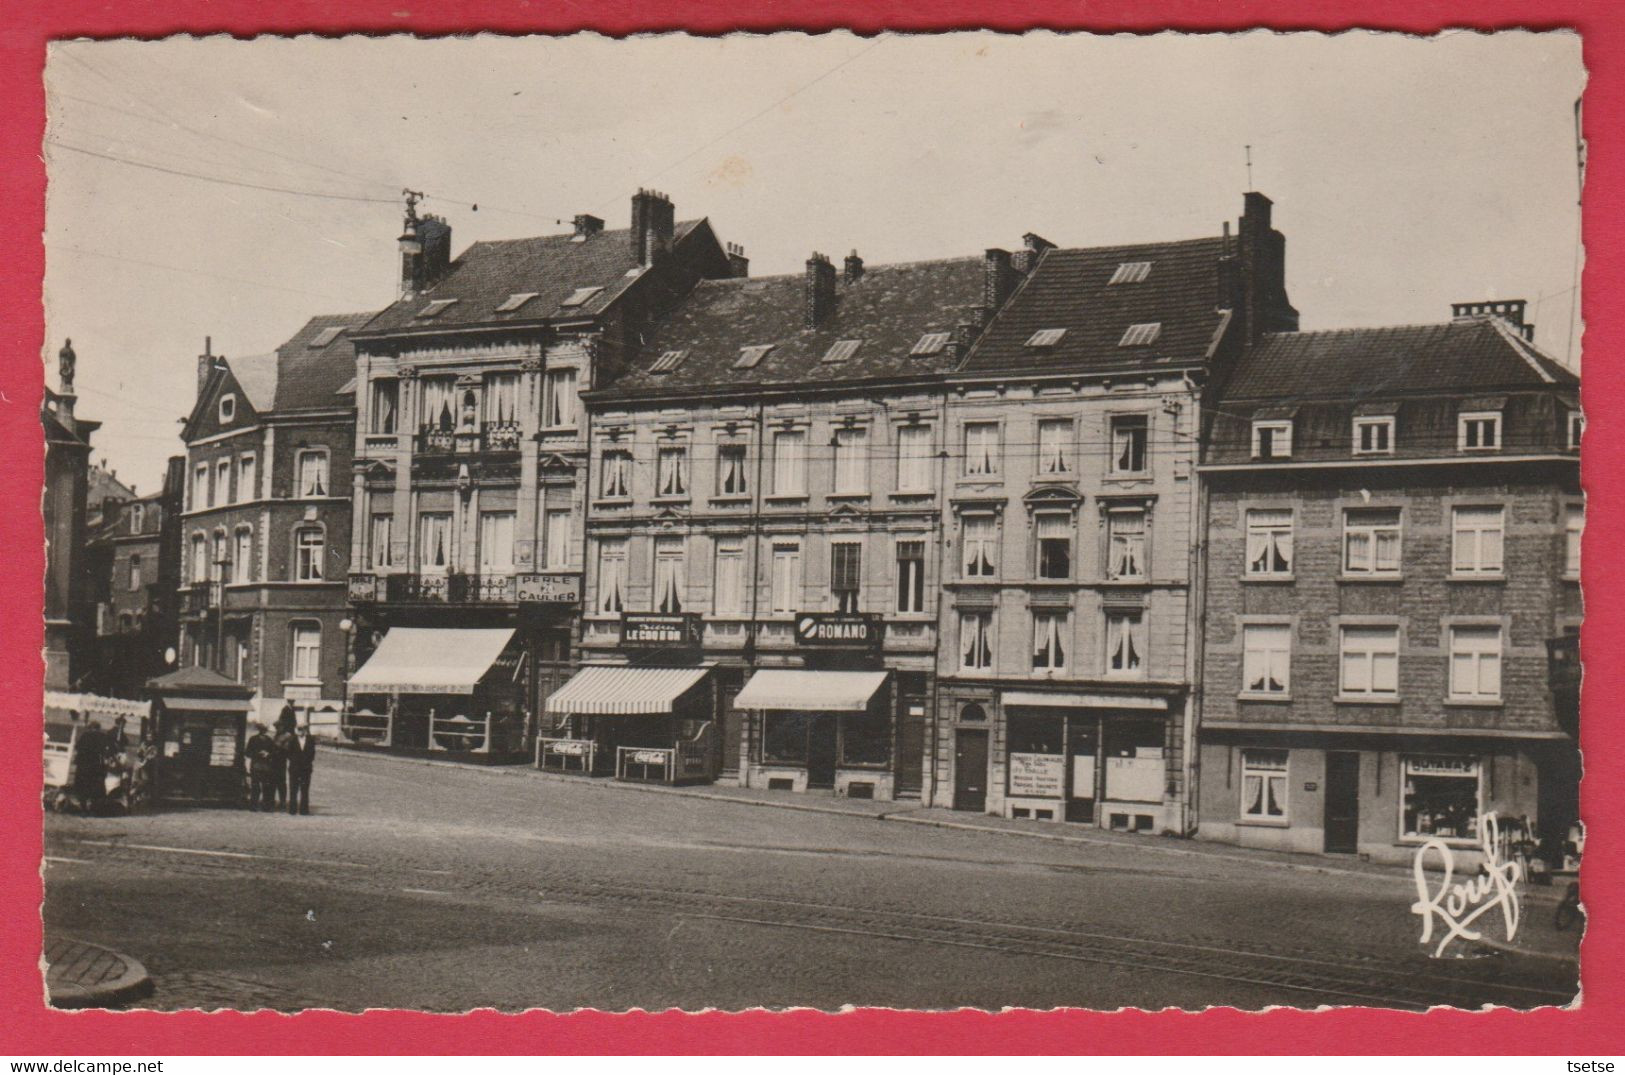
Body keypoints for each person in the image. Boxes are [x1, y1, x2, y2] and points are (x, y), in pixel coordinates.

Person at [71, 719, 106, 816]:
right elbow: (105, 751)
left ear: (90, 727)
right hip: (96, 766)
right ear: (98, 728)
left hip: (84, 766)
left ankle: (83, 810)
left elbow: (77, 747)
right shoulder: (102, 736)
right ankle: (93, 810)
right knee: (95, 788)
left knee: (82, 788)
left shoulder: (85, 735)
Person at [285, 718, 316, 816]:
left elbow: (312, 753)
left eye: (302, 729)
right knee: (293, 789)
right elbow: (288, 753)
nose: (300, 731)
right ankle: (292, 809)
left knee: (304, 789)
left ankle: (304, 810)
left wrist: (306, 762)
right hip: (294, 767)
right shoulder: (292, 739)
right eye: (298, 729)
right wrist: (295, 761)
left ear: (305, 730)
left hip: (306, 768)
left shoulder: (310, 740)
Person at [245, 723, 278, 811]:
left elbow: (274, 753)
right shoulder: (253, 739)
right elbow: (248, 752)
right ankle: (253, 806)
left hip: (266, 766)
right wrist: (258, 754)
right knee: (256, 787)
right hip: (256, 765)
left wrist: (268, 754)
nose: (263, 731)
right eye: (262, 730)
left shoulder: (269, 740)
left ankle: (265, 806)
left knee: (266, 787)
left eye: (264, 730)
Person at [272, 702, 297, 809]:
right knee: (273, 782)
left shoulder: (286, 737)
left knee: (281, 782)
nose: (277, 729)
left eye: (279, 727)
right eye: (277, 727)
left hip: (281, 761)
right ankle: (273, 801)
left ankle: (282, 802)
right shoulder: (277, 736)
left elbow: (285, 749)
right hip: (274, 762)